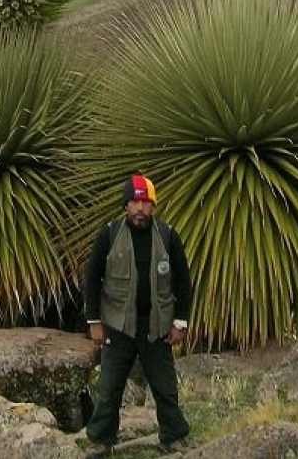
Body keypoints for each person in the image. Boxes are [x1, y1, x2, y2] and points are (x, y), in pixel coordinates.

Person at [83, 173, 191, 456]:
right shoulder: (108, 235)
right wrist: (94, 322)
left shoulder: (168, 236)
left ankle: (173, 436)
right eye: (134, 202)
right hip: (117, 327)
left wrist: (180, 323)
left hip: (156, 328)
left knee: (165, 388)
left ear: (154, 206)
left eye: (145, 202)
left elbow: (183, 282)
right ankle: (101, 441)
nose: (140, 209)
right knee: (108, 389)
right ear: (125, 205)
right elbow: (92, 278)